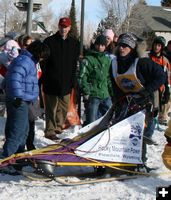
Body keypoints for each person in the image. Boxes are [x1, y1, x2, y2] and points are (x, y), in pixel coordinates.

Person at [111, 32, 166, 163]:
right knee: (123, 132)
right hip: (126, 102)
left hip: (144, 103)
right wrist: (117, 101)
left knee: (138, 134)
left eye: (125, 46)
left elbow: (161, 76)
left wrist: (147, 91)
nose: (122, 48)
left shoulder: (142, 62)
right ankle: (122, 159)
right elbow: (115, 85)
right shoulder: (114, 63)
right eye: (120, 45)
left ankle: (140, 161)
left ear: (132, 48)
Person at [2, 40, 50, 158]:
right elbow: (14, 78)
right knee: (17, 130)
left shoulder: (27, 61)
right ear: (38, 53)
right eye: (42, 57)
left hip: (24, 99)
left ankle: (18, 155)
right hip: (19, 100)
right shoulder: (25, 61)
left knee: (24, 130)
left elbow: (9, 77)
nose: (42, 60)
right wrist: (17, 96)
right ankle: (7, 158)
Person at [42, 17, 80, 140]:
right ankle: (50, 130)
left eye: (66, 27)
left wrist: (73, 80)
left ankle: (58, 126)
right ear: (58, 26)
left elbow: (74, 63)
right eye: (62, 26)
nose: (63, 29)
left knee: (63, 107)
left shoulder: (74, 43)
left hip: (66, 81)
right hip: (51, 80)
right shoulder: (49, 41)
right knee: (51, 108)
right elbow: (44, 62)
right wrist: (45, 77)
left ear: (69, 28)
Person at [79, 34, 113, 124]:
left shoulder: (107, 60)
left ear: (105, 47)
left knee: (110, 117)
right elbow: (82, 77)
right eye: (98, 44)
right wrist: (86, 91)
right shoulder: (88, 59)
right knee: (92, 120)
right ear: (95, 45)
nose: (100, 47)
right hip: (93, 95)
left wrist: (111, 91)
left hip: (105, 94)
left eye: (103, 45)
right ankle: (91, 134)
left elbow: (108, 77)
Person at [149, 36, 171, 126]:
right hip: (149, 87)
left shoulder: (164, 60)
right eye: (155, 45)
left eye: (159, 45)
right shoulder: (147, 57)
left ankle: (161, 118)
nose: (156, 47)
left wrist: (167, 89)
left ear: (161, 47)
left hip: (161, 88)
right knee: (151, 109)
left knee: (165, 103)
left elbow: (167, 76)